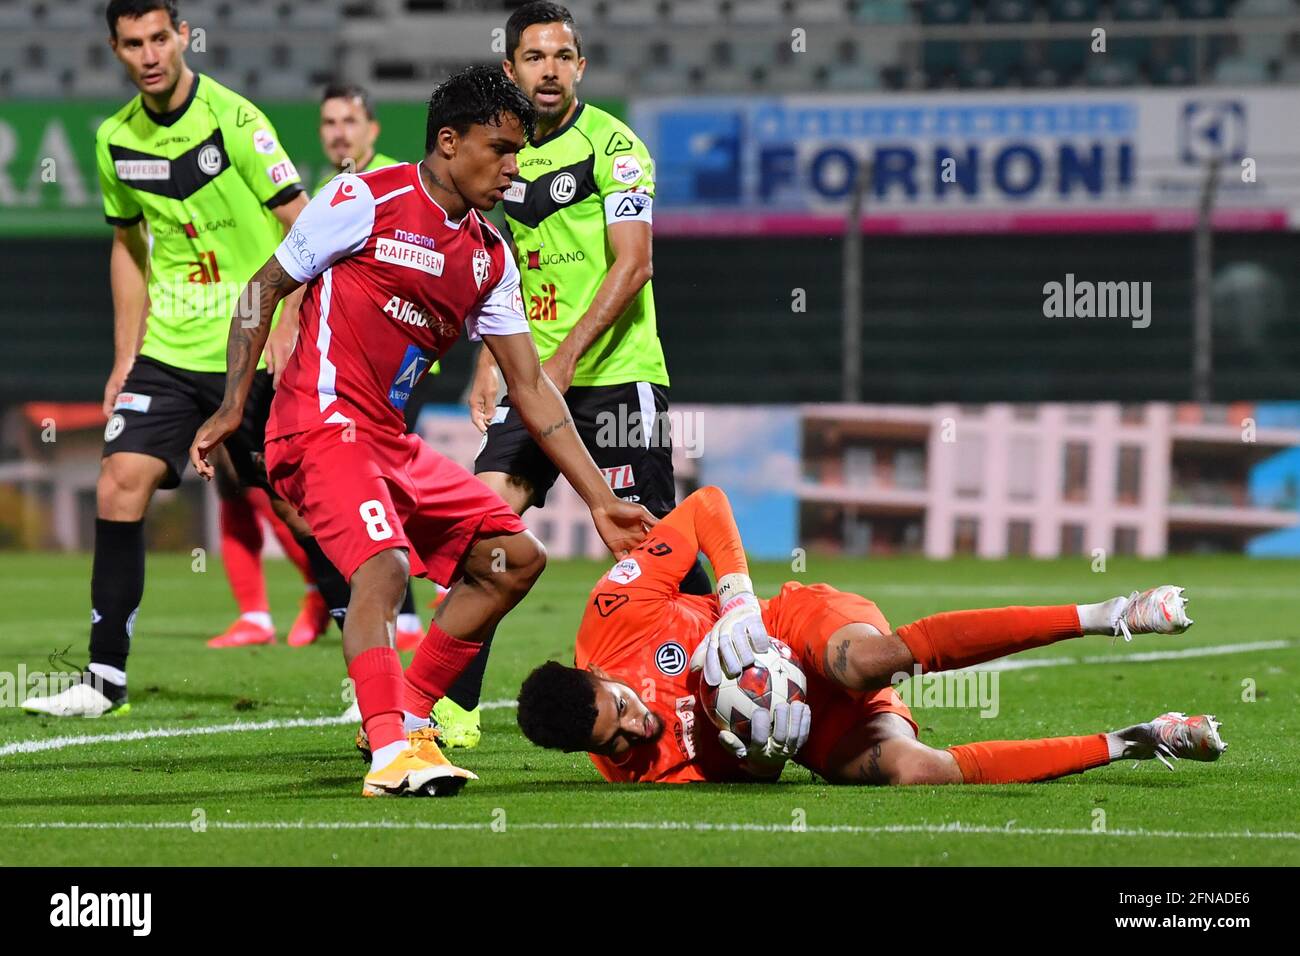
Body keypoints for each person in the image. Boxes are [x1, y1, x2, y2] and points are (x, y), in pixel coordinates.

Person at [189, 66, 655, 797]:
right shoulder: (363, 198)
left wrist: (598, 500)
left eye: (519, 155)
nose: (512, 169)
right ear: (448, 141)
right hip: (320, 423)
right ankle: (391, 754)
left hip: (389, 443)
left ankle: (409, 714)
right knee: (384, 569)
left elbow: (531, 388)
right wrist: (231, 403)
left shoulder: (489, 256)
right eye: (499, 150)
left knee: (514, 559)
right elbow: (262, 288)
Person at [515, 486, 1227, 785]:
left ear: (594, 673)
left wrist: (735, 604)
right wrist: (764, 756)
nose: (635, 726)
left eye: (620, 706)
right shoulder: (635, 771)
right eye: (613, 739)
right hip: (797, 724)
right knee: (915, 771)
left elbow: (706, 507)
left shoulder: (613, 615)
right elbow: (749, 778)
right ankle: (1139, 738)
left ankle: (1108, 613)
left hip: (791, 628)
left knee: (858, 664)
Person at [23, 0, 314, 715]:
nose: (150, 54)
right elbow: (128, 247)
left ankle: (369, 653)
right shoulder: (114, 138)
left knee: (296, 506)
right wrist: (125, 356)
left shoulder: (235, 120)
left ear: (183, 36)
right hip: (171, 346)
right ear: (115, 50)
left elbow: (304, 223)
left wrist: (288, 320)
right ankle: (105, 679)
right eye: (133, 43)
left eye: (161, 38)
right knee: (118, 483)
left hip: (248, 340)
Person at [439, 0, 710, 749]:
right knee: (483, 532)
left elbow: (634, 265)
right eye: (534, 57)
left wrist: (561, 359)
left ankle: (725, 676)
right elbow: (501, 274)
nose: (549, 70)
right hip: (534, 383)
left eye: (562, 57)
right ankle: (451, 709)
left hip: (619, 379)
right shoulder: (499, 156)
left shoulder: (615, 148)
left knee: (655, 550)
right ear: (510, 70)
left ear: (580, 67)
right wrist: (490, 361)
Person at [211, 82, 423, 651]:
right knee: (293, 483)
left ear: (372, 129)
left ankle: (400, 611)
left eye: (349, 121)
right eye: (328, 123)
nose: (338, 133)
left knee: (374, 484)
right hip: (334, 373)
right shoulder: (334, 191)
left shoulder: (397, 187)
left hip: (388, 368)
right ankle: (331, 596)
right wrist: (287, 328)